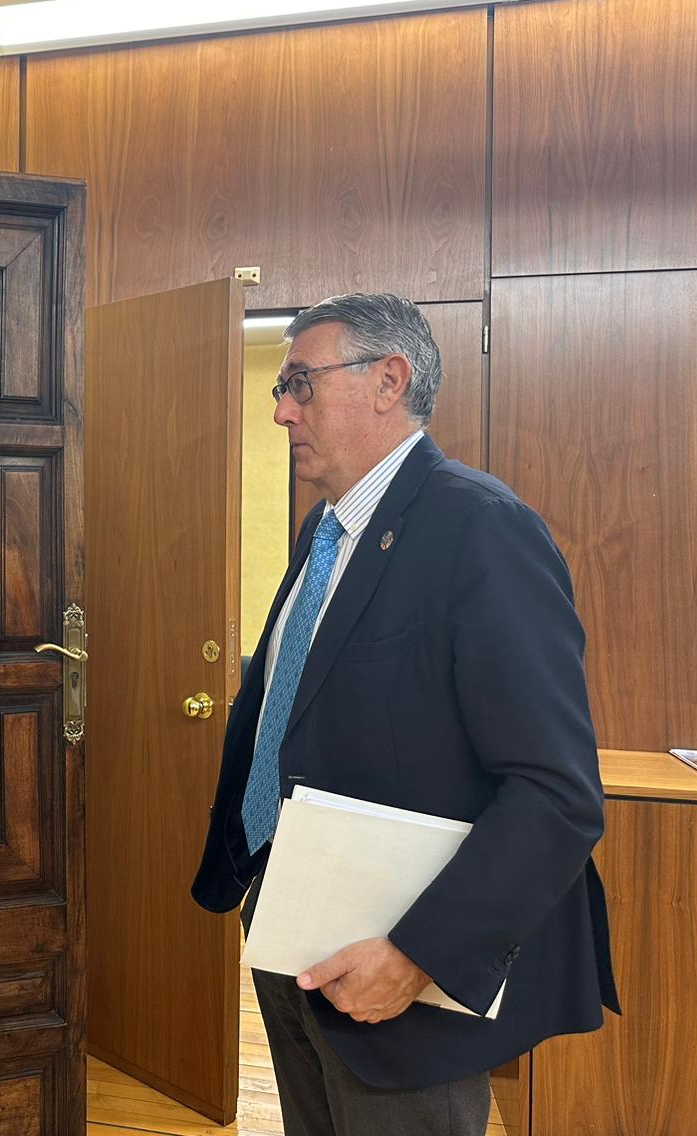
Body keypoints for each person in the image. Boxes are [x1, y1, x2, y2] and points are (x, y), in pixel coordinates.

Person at [192, 293, 618, 1135]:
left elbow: (555, 792)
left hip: (399, 970)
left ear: (390, 380)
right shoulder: (327, 532)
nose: (281, 411)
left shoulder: (482, 529)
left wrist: (418, 956)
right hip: (292, 933)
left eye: (302, 384)